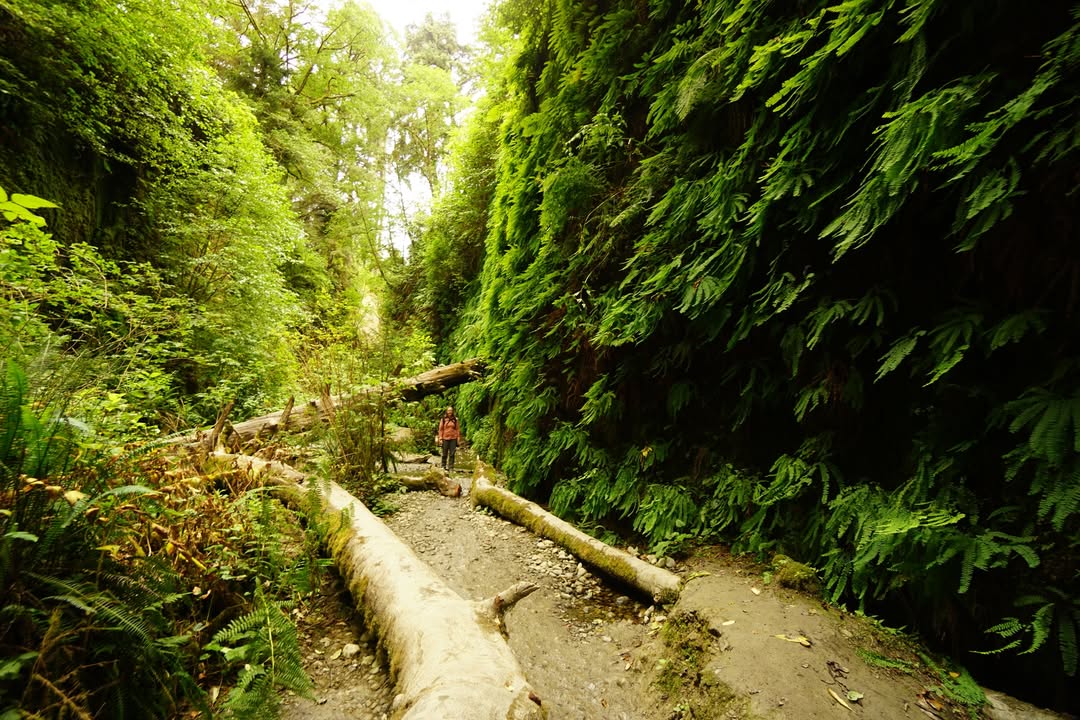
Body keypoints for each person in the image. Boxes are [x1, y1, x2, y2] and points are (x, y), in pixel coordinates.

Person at [435, 406, 461, 473]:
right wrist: (440, 438)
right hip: (445, 438)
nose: (450, 412)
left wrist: (458, 439)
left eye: (451, 410)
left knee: (452, 454)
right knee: (444, 453)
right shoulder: (443, 419)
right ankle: (443, 466)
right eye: (448, 410)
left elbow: (458, 429)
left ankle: (451, 467)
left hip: (453, 438)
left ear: (452, 411)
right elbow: (440, 429)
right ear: (446, 411)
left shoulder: (455, 420)